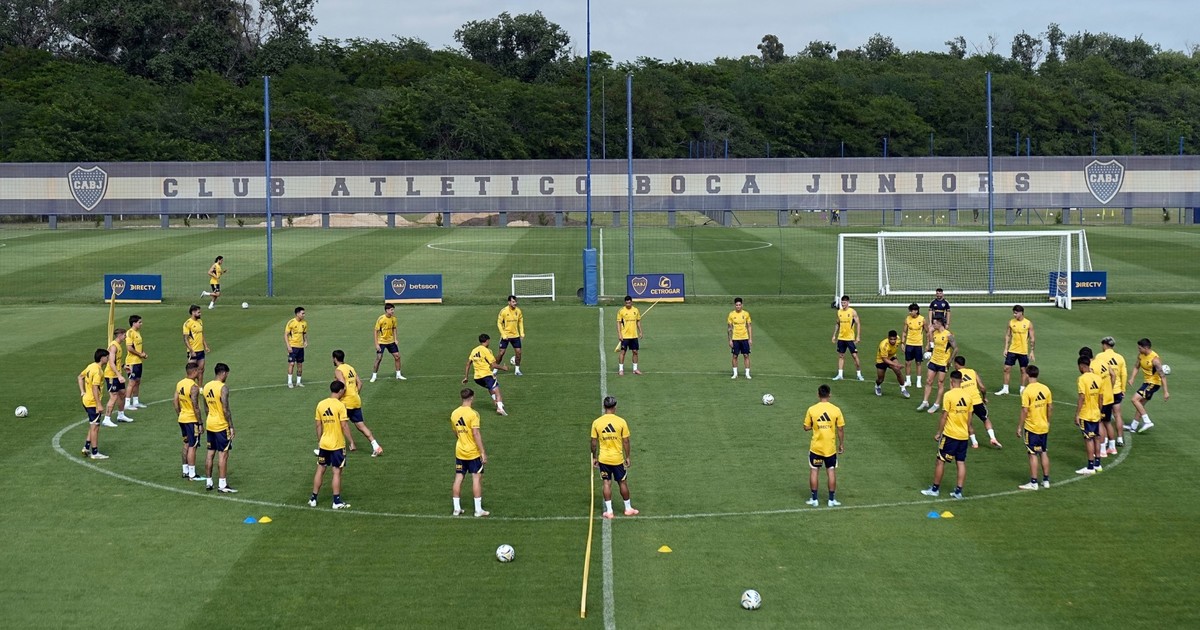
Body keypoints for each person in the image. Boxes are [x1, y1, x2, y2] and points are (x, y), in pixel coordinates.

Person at [920, 370, 972, 499]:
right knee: (960, 462)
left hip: (950, 435)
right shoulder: (968, 396)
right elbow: (969, 417)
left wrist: (939, 432)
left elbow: (944, 416)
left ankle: (935, 489)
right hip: (963, 436)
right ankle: (958, 492)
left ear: (951, 381)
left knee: (940, 461)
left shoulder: (949, 395)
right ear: (961, 381)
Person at [591, 395, 638, 519]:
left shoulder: (596, 422)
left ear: (604, 406)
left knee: (606, 483)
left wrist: (594, 457)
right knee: (622, 482)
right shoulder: (621, 422)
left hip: (603, 459)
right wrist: (628, 457)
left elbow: (594, 443)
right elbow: (626, 441)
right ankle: (628, 508)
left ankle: (609, 511)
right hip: (617, 459)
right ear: (615, 407)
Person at [333, 350, 383, 456]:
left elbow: (342, 385)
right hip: (356, 400)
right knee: (361, 426)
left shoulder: (338, 370)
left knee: (336, 422)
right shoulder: (350, 368)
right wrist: (355, 394)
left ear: (335, 359)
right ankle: (376, 446)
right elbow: (360, 383)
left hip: (346, 402)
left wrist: (338, 398)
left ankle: (345, 445)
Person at [310, 381, 351, 509]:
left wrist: (319, 440)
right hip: (337, 444)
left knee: (320, 469)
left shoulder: (321, 404)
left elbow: (318, 425)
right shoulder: (340, 406)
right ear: (340, 391)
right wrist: (351, 441)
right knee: (336, 472)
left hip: (324, 443)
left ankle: (313, 499)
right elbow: (344, 425)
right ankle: (336, 501)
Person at [803, 384, 845, 507]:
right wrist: (841, 444)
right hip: (830, 448)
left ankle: (814, 500)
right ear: (829, 394)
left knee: (814, 471)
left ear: (818, 394)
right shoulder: (836, 410)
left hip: (816, 448)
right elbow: (840, 429)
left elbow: (806, 427)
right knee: (831, 471)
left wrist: (815, 425)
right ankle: (831, 500)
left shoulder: (812, 409)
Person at [450, 388, 489, 517]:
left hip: (460, 451)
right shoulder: (473, 414)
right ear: (472, 397)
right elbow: (475, 433)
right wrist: (482, 452)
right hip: (473, 452)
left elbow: (455, 432)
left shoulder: (454, 413)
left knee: (458, 478)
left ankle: (456, 509)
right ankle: (478, 510)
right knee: (476, 479)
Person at [202, 363, 236, 493]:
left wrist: (210, 418)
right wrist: (231, 426)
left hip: (210, 423)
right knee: (223, 454)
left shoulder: (206, 386)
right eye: (227, 374)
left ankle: (209, 482)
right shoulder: (223, 388)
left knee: (210, 453)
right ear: (223, 373)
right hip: (221, 425)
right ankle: (222, 484)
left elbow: (206, 407)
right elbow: (226, 409)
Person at [953, 356, 1002, 449]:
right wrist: (984, 397)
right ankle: (993, 438)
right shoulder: (972, 372)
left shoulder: (956, 376)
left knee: (968, 422)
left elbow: (954, 391)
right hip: (977, 401)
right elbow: (982, 387)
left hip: (966, 402)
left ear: (956, 364)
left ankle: (974, 442)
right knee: (985, 419)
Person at [1017, 365, 1052, 490]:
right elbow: (1050, 407)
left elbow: (1025, 410)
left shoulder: (1027, 391)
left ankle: (1034, 482)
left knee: (1032, 454)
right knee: (1043, 452)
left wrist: (1019, 427)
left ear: (1027, 375)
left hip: (1032, 427)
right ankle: (1046, 481)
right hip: (1043, 426)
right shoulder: (1045, 388)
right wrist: (1048, 421)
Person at [1127, 338, 1169, 433]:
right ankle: (1133, 427)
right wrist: (1132, 378)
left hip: (1153, 384)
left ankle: (1147, 421)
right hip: (1147, 382)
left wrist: (1166, 392)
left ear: (1146, 348)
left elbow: (1162, 376)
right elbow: (1136, 366)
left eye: (1140, 348)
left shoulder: (1155, 360)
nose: (1138, 350)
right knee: (1140, 404)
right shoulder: (1141, 355)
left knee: (1134, 399)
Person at [1082, 346, 1116, 460]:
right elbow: (1113, 375)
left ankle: (1102, 450)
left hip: (1101, 399)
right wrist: (1110, 388)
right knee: (1108, 422)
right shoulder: (1102, 361)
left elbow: (1093, 384)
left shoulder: (1091, 367)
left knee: (1100, 423)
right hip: (1109, 396)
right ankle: (1112, 447)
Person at [174, 361, 206, 482]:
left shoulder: (180, 383)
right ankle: (192, 474)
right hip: (191, 419)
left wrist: (180, 414)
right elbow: (195, 406)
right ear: (194, 372)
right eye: (198, 371)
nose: (199, 373)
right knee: (193, 445)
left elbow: (175, 401)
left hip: (182, 418)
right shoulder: (194, 387)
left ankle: (185, 470)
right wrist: (200, 423)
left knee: (186, 443)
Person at [917, 317, 956, 413]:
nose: (932, 325)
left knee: (940, 383)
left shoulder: (948, 335)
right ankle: (925, 402)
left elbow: (956, 349)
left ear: (940, 324)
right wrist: (930, 333)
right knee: (929, 381)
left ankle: (936, 404)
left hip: (943, 362)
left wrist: (950, 361)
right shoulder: (935, 333)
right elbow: (932, 345)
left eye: (934, 323)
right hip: (934, 360)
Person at [463, 334, 508, 415]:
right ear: (487, 340)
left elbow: (468, 364)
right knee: (497, 391)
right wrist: (503, 368)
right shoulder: (486, 350)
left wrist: (466, 377)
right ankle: (500, 408)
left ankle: (495, 402)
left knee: (490, 388)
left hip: (477, 378)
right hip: (486, 375)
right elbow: (494, 365)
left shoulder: (474, 350)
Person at [996, 305, 1035, 395]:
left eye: (1016, 313)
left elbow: (1032, 338)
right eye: (1014, 313)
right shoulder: (1011, 322)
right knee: (1006, 368)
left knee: (1023, 370)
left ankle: (1022, 389)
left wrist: (1032, 351)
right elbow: (1008, 335)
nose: (1014, 315)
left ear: (1021, 313)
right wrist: (1006, 348)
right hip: (1012, 349)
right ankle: (1005, 388)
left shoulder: (1028, 323)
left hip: (1023, 351)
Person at [1097, 336, 1128, 449]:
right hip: (1117, 390)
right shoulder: (1120, 357)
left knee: (1104, 418)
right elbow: (1124, 374)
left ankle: (1105, 440)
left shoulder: (1100, 356)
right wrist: (1123, 389)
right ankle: (1119, 438)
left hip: (1105, 391)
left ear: (1105, 345)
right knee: (1117, 414)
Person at [78, 348, 110, 459]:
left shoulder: (91, 366)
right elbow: (95, 388)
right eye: (107, 357)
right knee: (95, 427)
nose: (108, 359)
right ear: (102, 358)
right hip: (92, 403)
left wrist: (82, 392)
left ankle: (86, 447)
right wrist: (99, 404)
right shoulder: (98, 371)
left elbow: (80, 377)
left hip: (86, 400)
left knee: (93, 425)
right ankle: (95, 453)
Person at [1075, 356, 1104, 475]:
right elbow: (1101, 398)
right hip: (1096, 413)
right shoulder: (1098, 378)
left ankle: (1090, 467)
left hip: (1086, 414)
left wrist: (1077, 414)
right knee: (1096, 437)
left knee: (1088, 439)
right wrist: (1100, 411)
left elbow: (1082, 397)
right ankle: (1098, 464)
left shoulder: (1082, 379)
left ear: (1082, 366)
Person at [102, 328, 134, 426]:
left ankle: (121, 415)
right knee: (114, 396)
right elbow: (111, 363)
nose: (125, 337)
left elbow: (117, 361)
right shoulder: (113, 347)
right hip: (111, 376)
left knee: (122, 393)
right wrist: (119, 375)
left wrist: (124, 366)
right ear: (119, 335)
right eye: (124, 335)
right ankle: (106, 419)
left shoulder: (118, 346)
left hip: (117, 374)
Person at [370, 303, 405, 382]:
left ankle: (398, 374)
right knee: (379, 358)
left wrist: (395, 339)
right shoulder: (381, 319)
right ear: (387, 310)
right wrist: (376, 344)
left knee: (397, 356)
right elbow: (376, 331)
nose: (393, 311)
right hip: (382, 342)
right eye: (391, 310)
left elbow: (394, 328)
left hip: (391, 341)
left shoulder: (394, 319)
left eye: (393, 309)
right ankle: (374, 376)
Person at [831, 295, 863, 381]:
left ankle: (859, 374)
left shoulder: (852, 312)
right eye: (842, 303)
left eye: (844, 303)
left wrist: (858, 336)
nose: (843, 304)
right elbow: (837, 323)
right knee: (841, 355)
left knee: (854, 356)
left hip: (850, 338)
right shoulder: (839, 312)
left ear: (848, 302)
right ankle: (840, 375)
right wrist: (834, 335)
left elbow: (858, 324)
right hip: (841, 337)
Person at [494, 295, 525, 376]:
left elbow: (520, 322)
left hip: (515, 336)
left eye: (516, 301)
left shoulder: (518, 311)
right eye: (513, 302)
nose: (515, 303)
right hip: (506, 336)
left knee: (518, 353)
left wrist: (522, 333)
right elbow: (499, 323)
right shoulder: (504, 311)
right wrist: (503, 334)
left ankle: (517, 370)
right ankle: (495, 369)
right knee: (501, 353)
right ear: (509, 302)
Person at [874, 330, 908, 398]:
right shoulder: (883, 345)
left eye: (894, 339)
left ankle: (903, 388)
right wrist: (896, 365)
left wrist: (902, 344)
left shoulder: (898, 339)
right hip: (882, 360)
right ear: (888, 338)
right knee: (880, 379)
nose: (893, 341)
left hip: (892, 357)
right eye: (891, 339)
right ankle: (877, 386)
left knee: (898, 371)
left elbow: (902, 340)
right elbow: (885, 359)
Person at [182, 304, 209, 385]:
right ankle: (190, 387)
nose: (200, 314)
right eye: (198, 312)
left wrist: (206, 346)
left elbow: (201, 334)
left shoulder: (200, 321)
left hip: (201, 350)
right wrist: (191, 350)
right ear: (193, 312)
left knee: (201, 370)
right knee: (191, 372)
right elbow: (185, 339)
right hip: (193, 351)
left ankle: (200, 388)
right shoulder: (188, 323)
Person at [125, 315, 148, 409]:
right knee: (132, 382)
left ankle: (135, 401)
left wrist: (143, 353)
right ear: (134, 323)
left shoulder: (137, 332)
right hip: (132, 361)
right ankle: (127, 403)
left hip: (138, 361)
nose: (141, 324)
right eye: (139, 322)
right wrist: (140, 354)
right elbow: (129, 348)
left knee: (137, 381)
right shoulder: (130, 333)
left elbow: (138, 346)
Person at [617, 296, 643, 376]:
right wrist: (619, 334)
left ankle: (635, 369)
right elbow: (618, 323)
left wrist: (640, 331)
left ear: (631, 302)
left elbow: (638, 321)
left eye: (629, 303)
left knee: (635, 352)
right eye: (626, 303)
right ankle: (621, 369)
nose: (628, 304)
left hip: (634, 335)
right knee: (623, 352)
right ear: (625, 303)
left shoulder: (636, 310)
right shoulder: (621, 311)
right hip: (625, 336)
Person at [901, 303, 926, 389]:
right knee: (908, 362)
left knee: (918, 363)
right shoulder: (907, 319)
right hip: (909, 343)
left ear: (916, 311)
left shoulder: (922, 319)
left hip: (918, 344)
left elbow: (927, 332)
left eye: (911, 311)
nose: (910, 312)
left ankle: (918, 381)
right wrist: (902, 343)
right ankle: (908, 381)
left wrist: (929, 344)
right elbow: (904, 332)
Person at [727, 297, 753, 379]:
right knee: (735, 356)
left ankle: (747, 374)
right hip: (735, 338)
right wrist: (730, 340)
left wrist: (750, 338)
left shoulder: (746, 314)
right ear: (734, 305)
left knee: (746, 355)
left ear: (742, 305)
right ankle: (735, 374)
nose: (738, 306)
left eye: (739, 305)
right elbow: (729, 328)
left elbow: (749, 326)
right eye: (736, 305)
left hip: (744, 338)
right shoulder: (731, 314)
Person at [285, 307, 308, 388]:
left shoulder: (304, 323)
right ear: (297, 314)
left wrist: (305, 341)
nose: (304, 315)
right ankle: (290, 382)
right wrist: (288, 346)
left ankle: (298, 382)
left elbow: (304, 333)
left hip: (300, 347)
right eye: (302, 313)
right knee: (291, 363)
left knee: (300, 364)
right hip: (293, 346)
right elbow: (286, 335)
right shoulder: (291, 322)